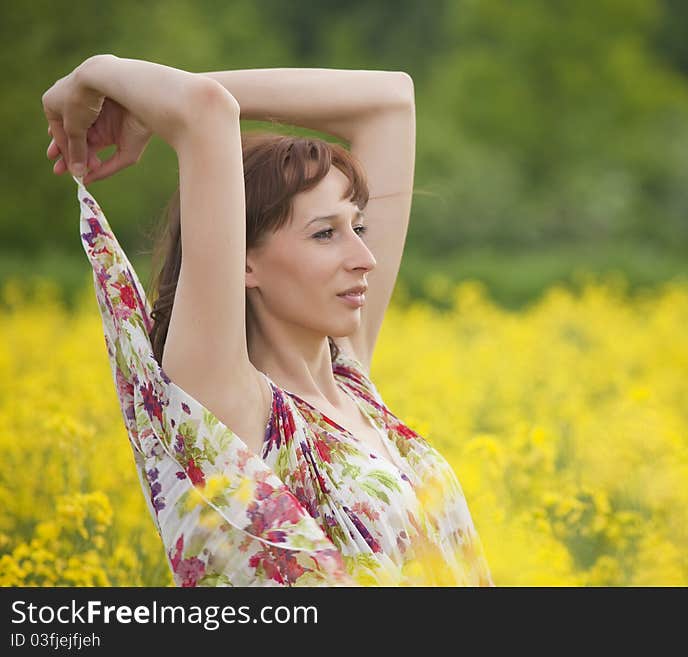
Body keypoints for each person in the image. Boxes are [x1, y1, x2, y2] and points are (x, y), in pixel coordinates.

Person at [42, 54, 494, 587]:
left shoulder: (351, 382)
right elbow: (204, 112)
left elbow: (389, 101)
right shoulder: (230, 408)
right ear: (245, 261)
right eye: (326, 233)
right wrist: (95, 73)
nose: (364, 257)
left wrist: (139, 115)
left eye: (360, 227)